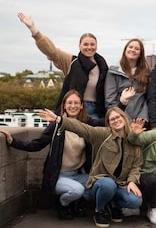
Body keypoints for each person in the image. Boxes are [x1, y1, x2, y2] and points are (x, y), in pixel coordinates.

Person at [0, 90, 103, 220]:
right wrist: (13, 141)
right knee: (77, 190)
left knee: (99, 184)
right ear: (64, 105)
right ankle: (62, 204)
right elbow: (36, 145)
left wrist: (122, 103)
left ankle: (76, 204)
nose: (73, 106)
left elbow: (109, 122)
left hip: (78, 174)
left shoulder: (87, 124)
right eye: (69, 102)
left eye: (76, 103)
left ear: (82, 105)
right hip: (58, 176)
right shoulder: (55, 126)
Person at [39, 107, 143, 228]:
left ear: (124, 118)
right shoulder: (103, 135)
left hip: (121, 183)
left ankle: (114, 206)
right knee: (108, 185)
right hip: (101, 182)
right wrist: (59, 119)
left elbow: (137, 165)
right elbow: (81, 128)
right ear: (108, 123)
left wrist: (132, 181)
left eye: (118, 117)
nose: (116, 120)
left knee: (136, 201)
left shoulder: (133, 139)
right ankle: (99, 211)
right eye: (112, 119)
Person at [17, 13, 108, 119]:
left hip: (97, 110)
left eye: (92, 44)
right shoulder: (72, 62)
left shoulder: (103, 67)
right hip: (75, 110)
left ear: (97, 46)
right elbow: (51, 51)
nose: (89, 47)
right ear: (79, 46)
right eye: (85, 44)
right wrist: (33, 30)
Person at [104, 38, 150, 125]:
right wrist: (127, 122)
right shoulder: (113, 72)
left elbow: (148, 100)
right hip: (120, 122)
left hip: (140, 123)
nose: (133, 50)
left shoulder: (146, 74)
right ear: (125, 50)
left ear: (140, 53)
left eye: (136, 49)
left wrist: (142, 119)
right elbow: (110, 102)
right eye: (130, 47)